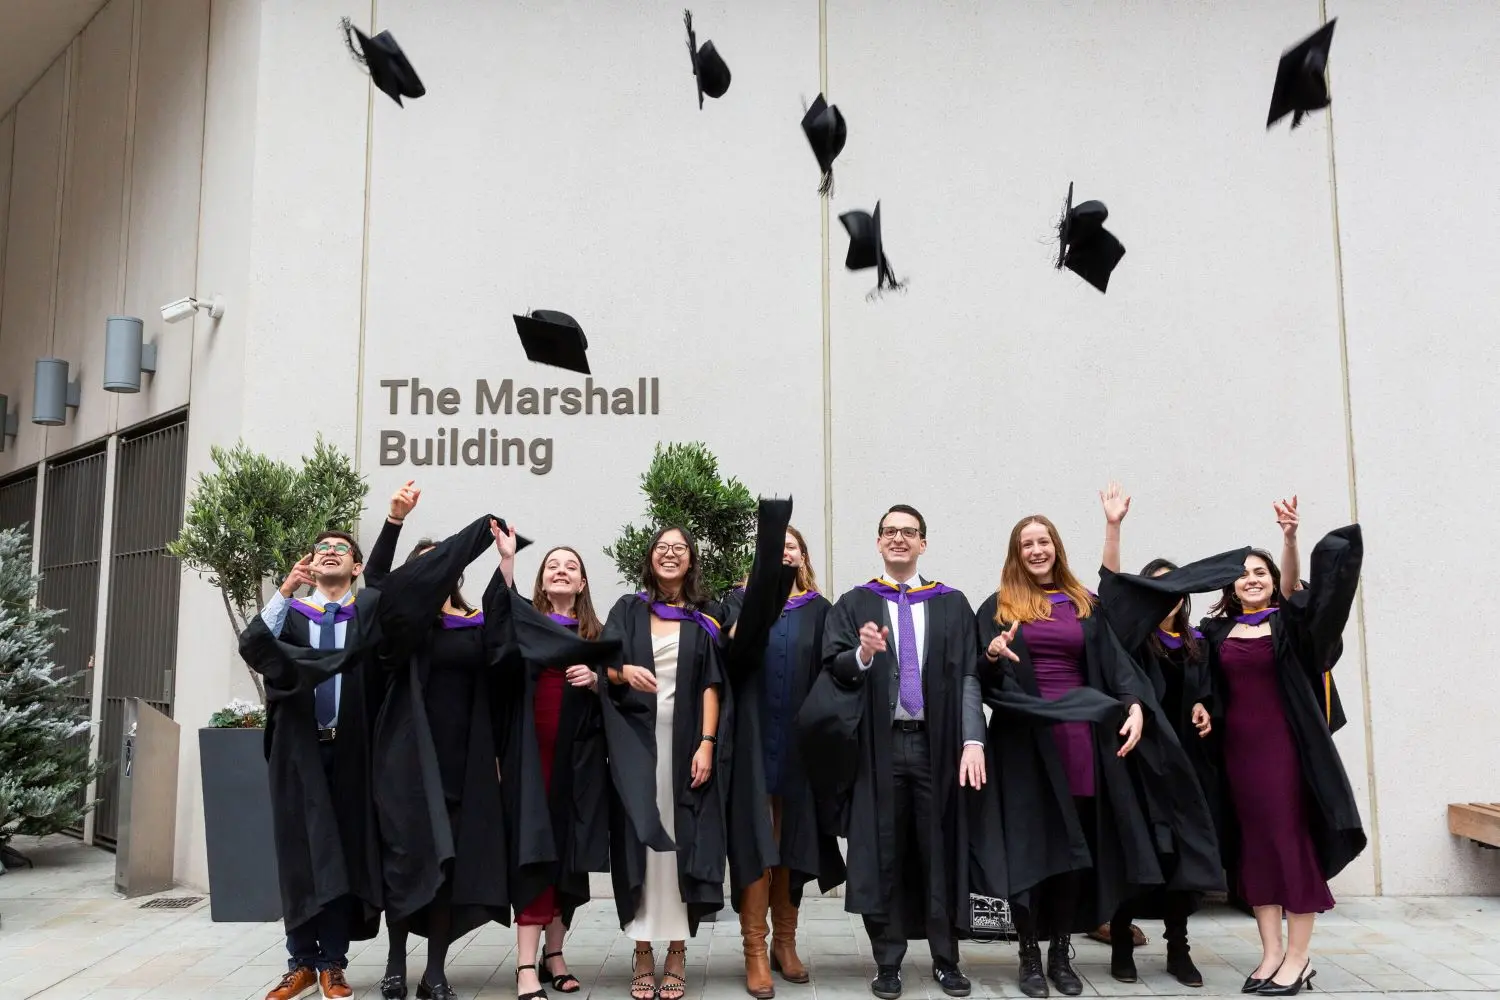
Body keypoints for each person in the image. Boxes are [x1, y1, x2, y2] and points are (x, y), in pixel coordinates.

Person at [977, 510, 1217, 999]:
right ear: (1016, 554)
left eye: (1044, 541)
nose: (1037, 550)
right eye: (1027, 544)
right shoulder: (998, 606)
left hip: (1079, 739)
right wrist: (992, 656)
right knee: (1028, 846)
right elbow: (978, 677)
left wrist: (1133, 704)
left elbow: (1117, 664)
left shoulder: (1084, 604)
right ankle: (1028, 955)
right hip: (1023, 740)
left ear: (1056, 547)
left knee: (1073, 847)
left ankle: (1060, 955)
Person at [816, 504, 988, 1000]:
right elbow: (834, 668)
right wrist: (863, 654)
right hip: (879, 747)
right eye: (889, 531)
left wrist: (973, 739)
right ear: (878, 542)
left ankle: (946, 960)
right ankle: (887, 962)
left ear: (922, 543)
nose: (898, 538)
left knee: (940, 850)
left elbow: (969, 676)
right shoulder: (854, 604)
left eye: (908, 532)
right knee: (882, 851)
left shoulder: (951, 603)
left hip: (938, 746)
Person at [1199, 500, 1365, 996]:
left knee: (1290, 845)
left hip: (1285, 754)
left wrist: (1290, 540)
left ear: (1272, 581)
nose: (1251, 580)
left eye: (1260, 573)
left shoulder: (1288, 626)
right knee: (1255, 850)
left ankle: (1299, 957)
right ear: (1230, 586)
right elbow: (1202, 682)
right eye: (1242, 575)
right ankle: (1271, 953)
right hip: (1237, 755)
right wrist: (1201, 704)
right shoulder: (1216, 631)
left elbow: (1296, 593)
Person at [360, 502, 520, 1000]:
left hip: (461, 762)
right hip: (406, 761)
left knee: (448, 864)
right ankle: (395, 963)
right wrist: (393, 522)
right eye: (422, 565)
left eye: (441, 562)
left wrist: (506, 562)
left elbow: (503, 651)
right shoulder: (403, 625)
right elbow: (376, 582)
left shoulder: (473, 622)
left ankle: (434, 971)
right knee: (404, 858)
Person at [1096, 483, 1248, 986]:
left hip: (1187, 768)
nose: (1164, 596)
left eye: (1172, 588)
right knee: (1137, 852)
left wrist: (1206, 708)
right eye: (1154, 588)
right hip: (1139, 763)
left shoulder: (1198, 642)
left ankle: (1178, 948)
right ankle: (1121, 941)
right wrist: (1113, 527)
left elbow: (1212, 693)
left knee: (1184, 858)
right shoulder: (1132, 640)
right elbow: (1110, 591)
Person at [240, 528, 383, 1000]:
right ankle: (300, 962)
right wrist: (285, 589)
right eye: (322, 548)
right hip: (298, 749)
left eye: (341, 548)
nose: (329, 552)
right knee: (299, 851)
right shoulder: (292, 615)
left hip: (352, 751)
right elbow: (253, 645)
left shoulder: (365, 617)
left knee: (341, 853)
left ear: (356, 568)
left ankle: (333, 964)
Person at [600, 525, 729, 1000]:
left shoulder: (703, 617)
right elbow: (604, 665)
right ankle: (641, 950)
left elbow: (712, 684)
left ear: (691, 560)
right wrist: (623, 672)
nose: (670, 554)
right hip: (637, 743)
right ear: (650, 557)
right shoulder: (627, 609)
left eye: (680, 548)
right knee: (640, 842)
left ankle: (676, 950)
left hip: (685, 744)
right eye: (662, 547)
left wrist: (707, 742)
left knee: (681, 844)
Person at [723, 513, 846, 998]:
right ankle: (755, 948)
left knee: (793, 839)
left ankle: (785, 943)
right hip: (752, 736)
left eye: (792, 546)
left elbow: (833, 671)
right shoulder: (738, 600)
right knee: (757, 840)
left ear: (803, 558)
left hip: (799, 741)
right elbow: (728, 655)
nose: (785, 552)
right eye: (776, 547)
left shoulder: (821, 609)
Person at [505, 545, 611, 1000]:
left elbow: (622, 692)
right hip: (531, 761)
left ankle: (555, 955)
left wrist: (598, 681)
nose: (562, 571)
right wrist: (507, 561)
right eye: (553, 566)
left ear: (582, 583)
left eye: (571, 566)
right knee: (535, 855)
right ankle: (525, 966)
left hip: (577, 762)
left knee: (567, 858)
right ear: (542, 581)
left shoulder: (597, 635)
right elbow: (500, 609)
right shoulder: (524, 626)